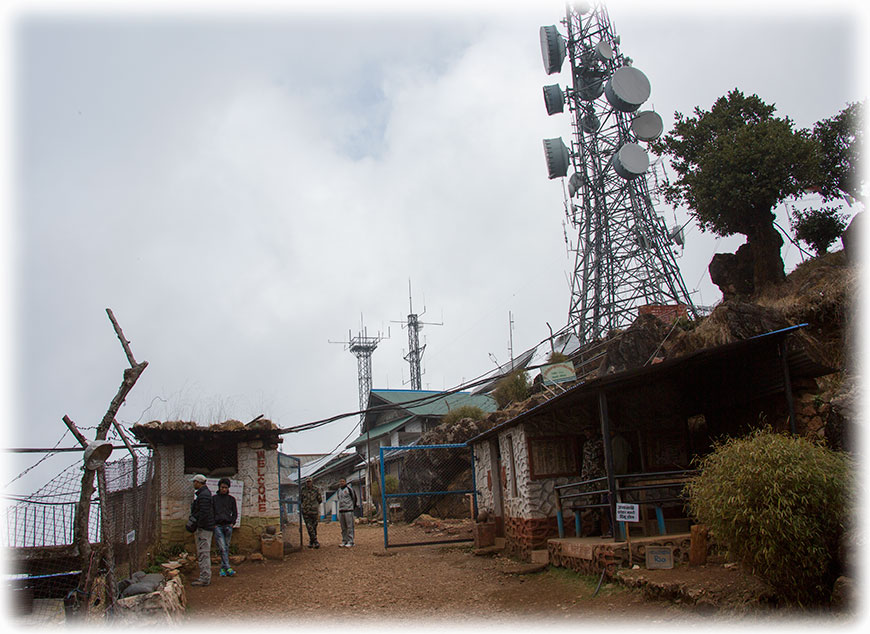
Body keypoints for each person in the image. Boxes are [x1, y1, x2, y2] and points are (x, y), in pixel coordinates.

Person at [190, 474, 215, 586]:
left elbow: (203, 513)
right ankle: (204, 576)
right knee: (203, 552)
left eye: (194, 482)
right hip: (205, 526)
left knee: (203, 552)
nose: (193, 484)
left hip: (204, 528)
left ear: (198, 483)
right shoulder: (204, 494)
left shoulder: (203, 495)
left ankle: (205, 577)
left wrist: (198, 525)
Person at [213, 477, 238, 577]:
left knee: (226, 547)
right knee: (222, 547)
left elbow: (235, 513)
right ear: (219, 487)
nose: (224, 489)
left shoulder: (231, 499)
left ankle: (222, 569)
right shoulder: (214, 499)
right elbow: (211, 512)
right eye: (222, 487)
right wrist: (213, 524)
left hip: (228, 526)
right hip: (218, 526)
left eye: (226, 487)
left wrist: (232, 523)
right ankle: (227, 567)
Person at [301, 477, 322, 548]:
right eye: (307, 482)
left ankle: (311, 541)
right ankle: (315, 541)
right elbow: (300, 500)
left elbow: (320, 499)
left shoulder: (316, 489)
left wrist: (314, 505)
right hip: (306, 512)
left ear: (312, 482)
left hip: (314, 511)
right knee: (309, 527)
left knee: (314, 527)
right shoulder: (303, 490)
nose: (308, 483)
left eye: (309, 481)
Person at [335, 477, 357, 548]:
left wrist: (352, 507)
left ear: (346, 482)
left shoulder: (349, 489)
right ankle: (344, 540)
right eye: (340, 481)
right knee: (343, 527)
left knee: (349, 526)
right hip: (341, 511)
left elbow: (354, 498)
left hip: (349, 510)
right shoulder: (338, 490)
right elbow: (339, 499)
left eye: (343, 481)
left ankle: (351, 541)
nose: (341, 483)